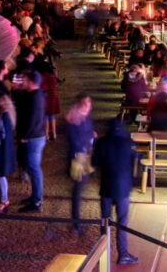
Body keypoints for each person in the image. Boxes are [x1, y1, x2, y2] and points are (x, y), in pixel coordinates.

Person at [92, 118, 139, 265]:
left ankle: (103, 254)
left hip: (106, 187)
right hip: (123, 188)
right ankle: (123, 254)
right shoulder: (129, 143)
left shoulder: (101, 142)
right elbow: (136, 163)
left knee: (105, 222)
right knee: (122, 222)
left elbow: (94, 163)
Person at [14, 70, 47, 212]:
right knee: (33, 168)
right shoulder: (37, 95)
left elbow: (32, 119)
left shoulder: (35, 98)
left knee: (34, 169)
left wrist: (24, 136)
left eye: (26, 81)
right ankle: (35, 197)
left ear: (32, 82)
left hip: (33, 138)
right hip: (36, 137)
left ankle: (37, 202)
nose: (24, 83)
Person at [65, 94, 96, 235]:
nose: (89, 106)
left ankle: (76, 222)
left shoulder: (86, 118)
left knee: (79, 189)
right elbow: (75, 140)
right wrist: (90, 136)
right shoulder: (74, 119)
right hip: (77, 158)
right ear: (80, 105)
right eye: (86, 103)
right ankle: (76, 224)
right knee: (77, 191)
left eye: (89, 103)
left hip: (85, 157)